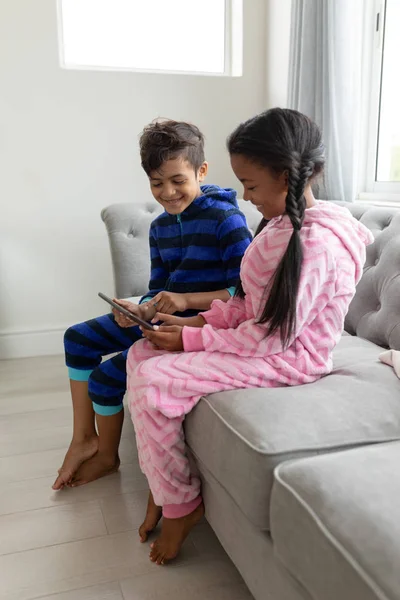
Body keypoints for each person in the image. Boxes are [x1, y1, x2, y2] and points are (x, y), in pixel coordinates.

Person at [125, 108, 374, 565]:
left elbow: (271, 338)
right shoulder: (280, 224)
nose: (244, 195)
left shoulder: (316, 245)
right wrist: (195, 323)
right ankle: (162, 480)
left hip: (290, 358)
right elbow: (249, 305)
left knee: (155, 380)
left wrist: (190, 342)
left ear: (286, 176)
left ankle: (179, 502)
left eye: (252, 186)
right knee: (141, 351)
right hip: (261, 340)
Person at [52, 119, 252, 490]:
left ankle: (108, 457)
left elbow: (245, 291)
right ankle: (84, 439)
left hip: (200, 326)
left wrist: (187, 300)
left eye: (178, 180)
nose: (169, 192)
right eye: (157, 183)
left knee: (106, 377)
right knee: (76, 338)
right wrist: (141, 308)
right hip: (161, 318)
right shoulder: (160, 227)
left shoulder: (226, 220)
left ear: (201, 171)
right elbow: (158, 286)